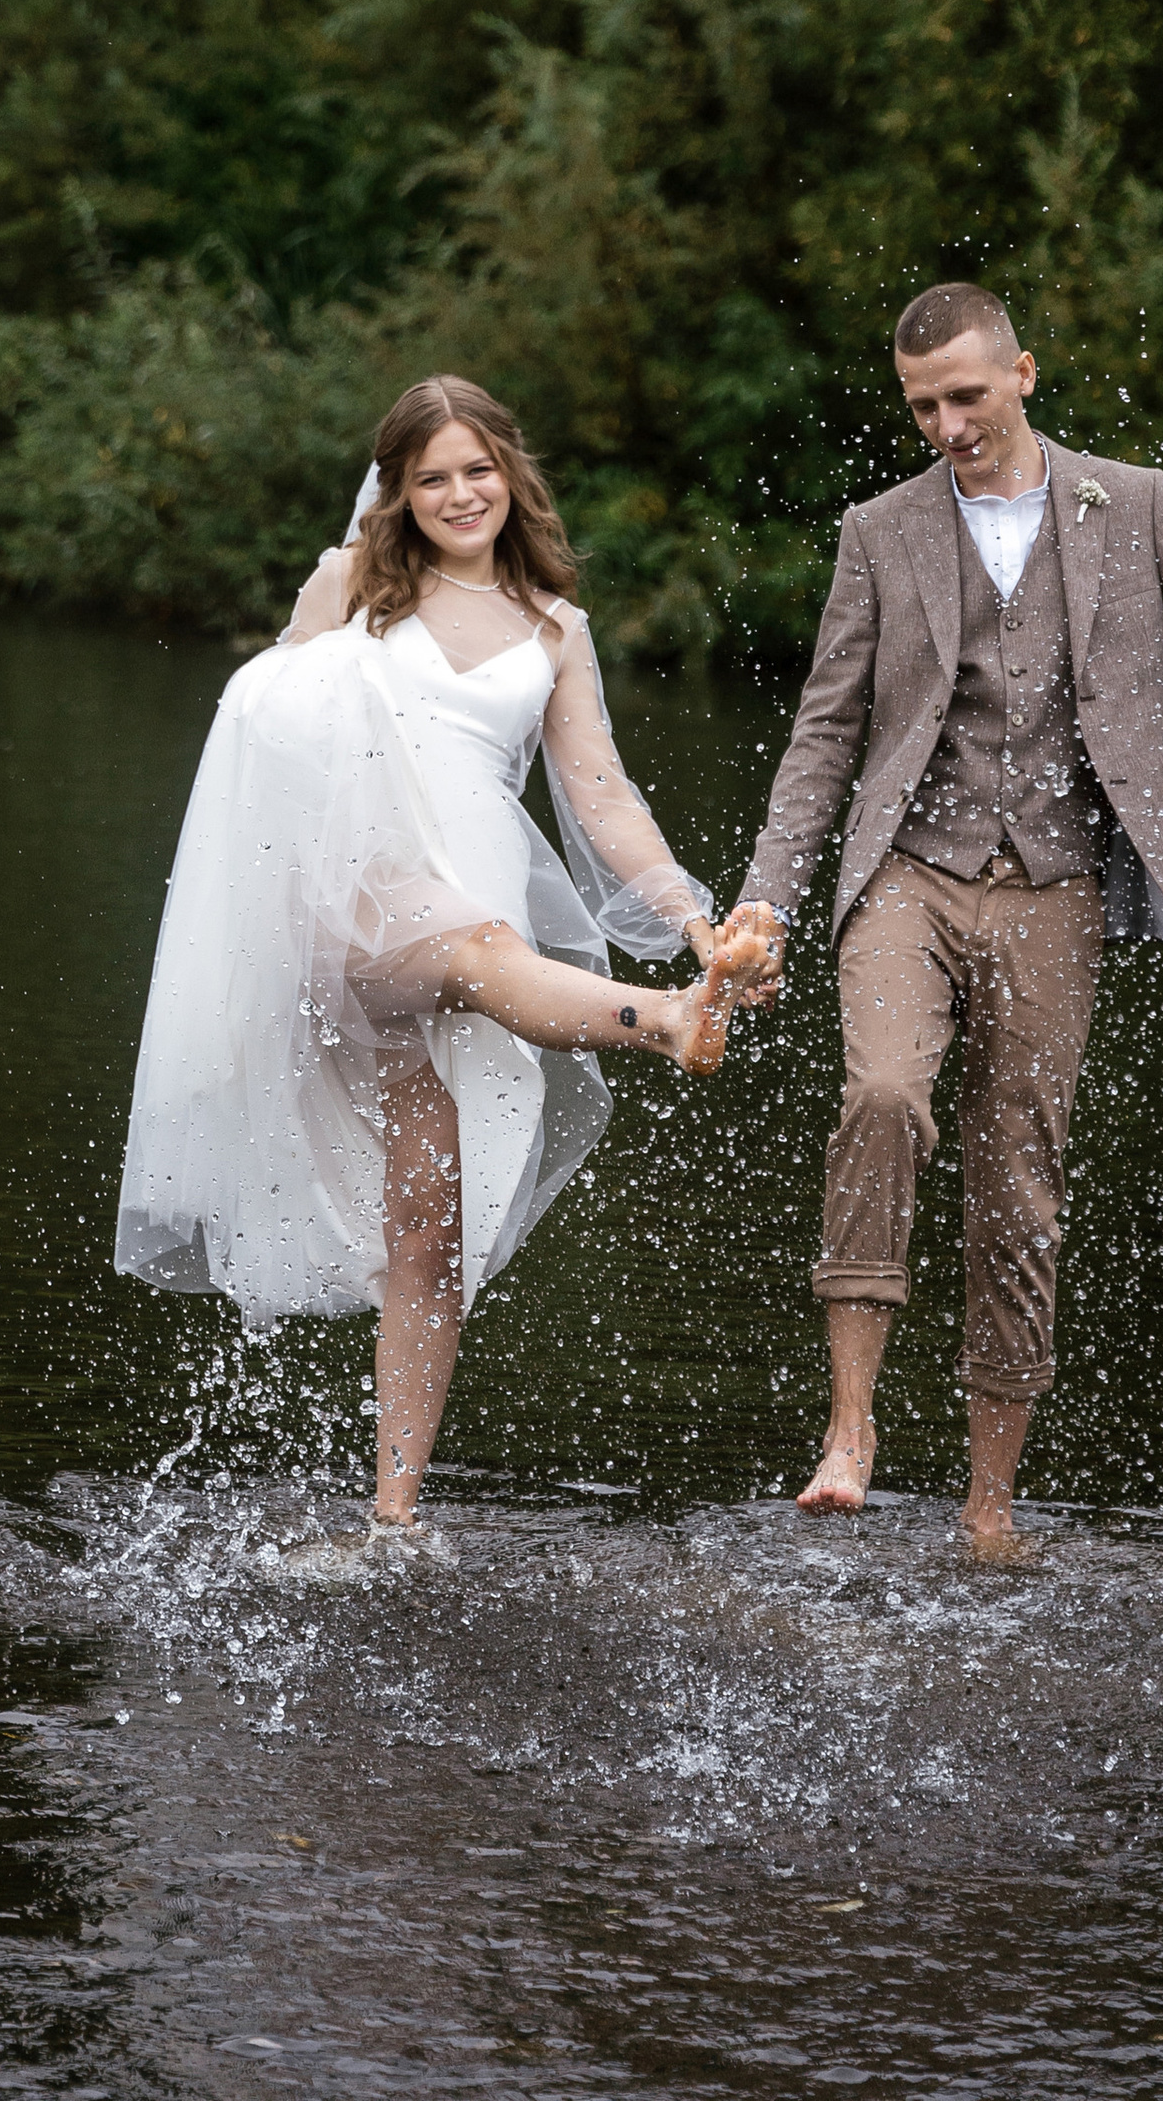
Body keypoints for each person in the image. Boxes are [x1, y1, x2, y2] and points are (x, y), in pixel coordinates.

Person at [735, 280, 1163, 1564]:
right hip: (909, 870)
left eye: (964, 395)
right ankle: (849, 1430)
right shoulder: (878, 533)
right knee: (884, 1097)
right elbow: (824, 734)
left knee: (1017, 1183)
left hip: (1054, 888)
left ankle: (990, 1507)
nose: (945, 423)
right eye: (920, 404)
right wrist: (765, 900)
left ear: (1023, 375)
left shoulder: (1131, 504)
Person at [117, 373, 774, 1540]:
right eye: (431, 478)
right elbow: (262, 740)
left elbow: (602, 795)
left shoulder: (553, 629)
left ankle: (394, 1518)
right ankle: (663, 1019)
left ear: (510, 475)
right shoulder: (354, 589)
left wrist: (689, 917)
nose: (459, 493)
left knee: (431, 1234)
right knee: (475, 943)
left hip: (470, 944)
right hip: (349, 921)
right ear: (398, 494)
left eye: (477, 470)